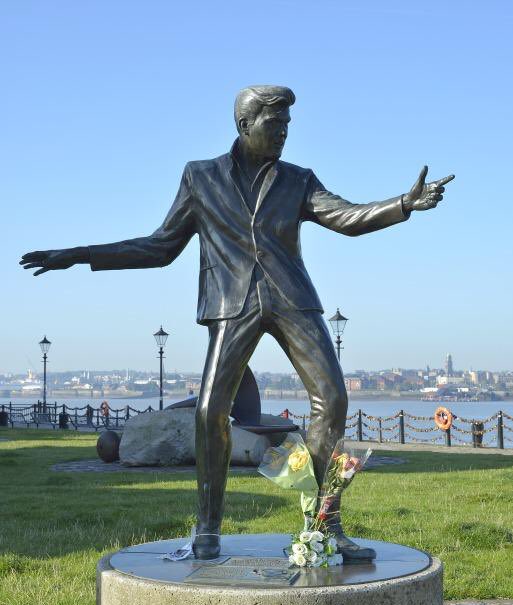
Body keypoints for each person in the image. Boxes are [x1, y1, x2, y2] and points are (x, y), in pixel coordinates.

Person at [21, 85, 454, 561]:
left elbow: (346, 217)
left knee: (332, 400)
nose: (285, 133)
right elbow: (159, 246)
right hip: (232, 305)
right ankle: (207, 529)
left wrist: (403, 204)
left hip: (293, 301)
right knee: (210, 413)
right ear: (245, 125)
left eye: (288, 124)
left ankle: (324, 525)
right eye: (275, 124)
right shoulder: (201, 178)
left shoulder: (298, 179)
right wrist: (81, 256)